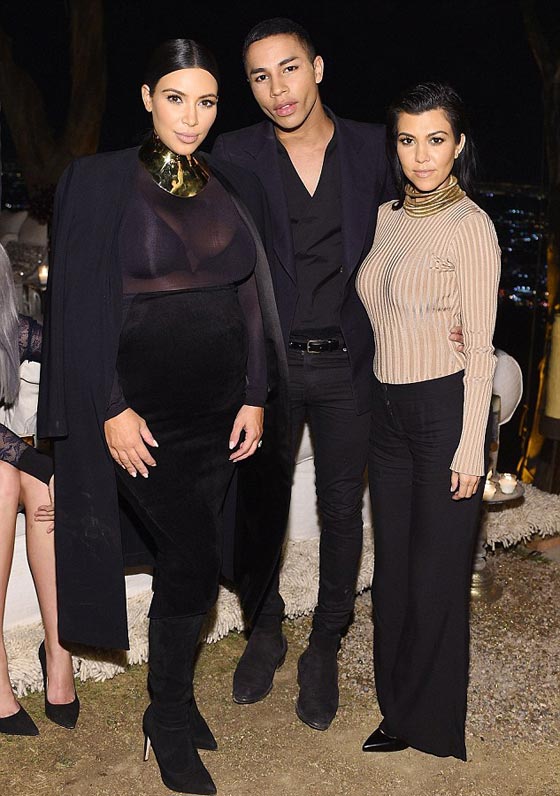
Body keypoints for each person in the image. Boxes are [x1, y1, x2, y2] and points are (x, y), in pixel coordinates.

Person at [38, 39, 290, 795]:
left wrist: (255, 392)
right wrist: (110, 406)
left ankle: (173, 700)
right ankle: (168, 718)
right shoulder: (98, 181)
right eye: (176, 98)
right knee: (189, 561)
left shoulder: (234, 182)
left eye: (207, 102)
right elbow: (76, 304)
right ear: (148, 97)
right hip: (142, 418)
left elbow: (251, 297)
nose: (191, 117)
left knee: (194, 560)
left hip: (220, 414)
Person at [212, 18, 463, 731]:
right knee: (258, 508)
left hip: (352, 364)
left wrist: (452, 305)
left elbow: (422, 226)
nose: (278, 88)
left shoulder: (372, 148)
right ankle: (265, 629)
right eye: (260, 76)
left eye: (289, 68)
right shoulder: (234, 154)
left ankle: (325, 642)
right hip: (267, 369)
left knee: (342, 509)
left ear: (317, 68)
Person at [356, 82, 501, 760]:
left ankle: (432, 724)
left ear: (458, 145)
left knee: (435, 575)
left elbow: (481, 350)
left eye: (435, 140)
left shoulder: (471, 227)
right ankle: (396, 709)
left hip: (445, 413)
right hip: (386, 413)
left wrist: (471, 447)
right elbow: (379, 311)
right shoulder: (386, 217)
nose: (421, 155)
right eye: (408, 140)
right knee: (392, 574)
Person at [0, 244, 78, 736]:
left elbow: (75, 360)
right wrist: (38, 462)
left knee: (39, 485)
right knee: (5, 477)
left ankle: (59, 649)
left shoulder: (13, 331)